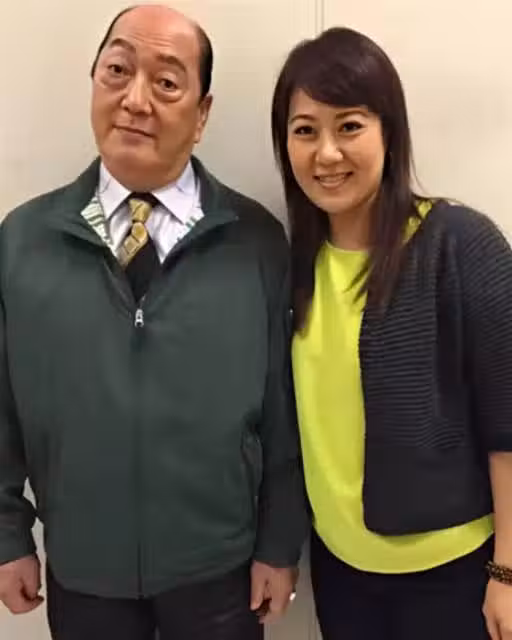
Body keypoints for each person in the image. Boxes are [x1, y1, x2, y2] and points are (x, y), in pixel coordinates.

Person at [0, 5, 308, 639]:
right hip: (84, 573)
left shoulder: (254, 241)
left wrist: (279, 542)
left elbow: (284, 408)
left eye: (166, 82)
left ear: (202, 114)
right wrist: (7, 535)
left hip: (221, 573)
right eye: (117, 70)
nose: (135, 99)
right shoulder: (23, 241)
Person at [271, 26, 512, 640]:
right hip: (340, 572)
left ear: (390, 131)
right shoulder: (291, 265)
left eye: (349, 126)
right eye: (305, 131)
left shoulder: (459, 244)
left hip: (453, 575)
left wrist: (508, 572)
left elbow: (508, 423)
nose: (327, 154)